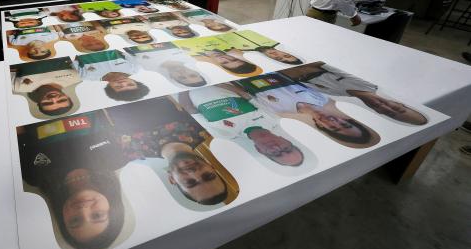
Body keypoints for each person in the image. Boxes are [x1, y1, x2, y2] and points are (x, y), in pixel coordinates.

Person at [17, 111, 128, 249]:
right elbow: (106, 113)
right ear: (113, 208)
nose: (83, 210)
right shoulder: (117, 158)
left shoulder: (34, 175)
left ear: (62, 219)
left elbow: (18, 130)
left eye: (75, 220)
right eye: (97, 215)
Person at [108, 97, 235, 206]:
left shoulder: (130, 151)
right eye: (208, 176)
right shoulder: (203, 128)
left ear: (172, 180)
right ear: (212, 167)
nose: (194, 173)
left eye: (190, 182)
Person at [178, 84, 305, 167]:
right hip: (214, 81)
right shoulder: (273, 118)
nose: (277, 148)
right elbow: (243, 93)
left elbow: (189, 109)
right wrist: (211, 82)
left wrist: (182, 87)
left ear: (260, 150)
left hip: (185, 88)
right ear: (285, 140)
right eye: (286, 149)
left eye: (276, 154)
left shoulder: (225, 134)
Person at [240, 75, 379, 147]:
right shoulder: (322, 97)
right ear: (347, 119)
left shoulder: (280, 111)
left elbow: (244, 92)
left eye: (334, 128)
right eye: (345, 125)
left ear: (321, 127)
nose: (333, 122)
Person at [280, 62, 427, 125]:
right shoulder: (366, 83)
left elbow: (295, 81)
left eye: (390, 113)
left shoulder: (339, 97)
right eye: (397, 108)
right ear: (398, 103)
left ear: (379, 112)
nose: (388, 108)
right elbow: (318, 64)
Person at [12, 58, 81, 118]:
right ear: (67, 96)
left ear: (39, 102)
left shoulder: (17, 87)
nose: (53, 99)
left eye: (47, 103)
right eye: (61, 100)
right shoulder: (77, 77)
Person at [75, 50, 150, 102]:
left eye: (118, 87)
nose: (123, 83)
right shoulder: (135, 67)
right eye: (130, 84)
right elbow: (124, 49)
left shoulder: (85, 75)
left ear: (109, 87)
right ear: (135, 81)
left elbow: (72, 57)